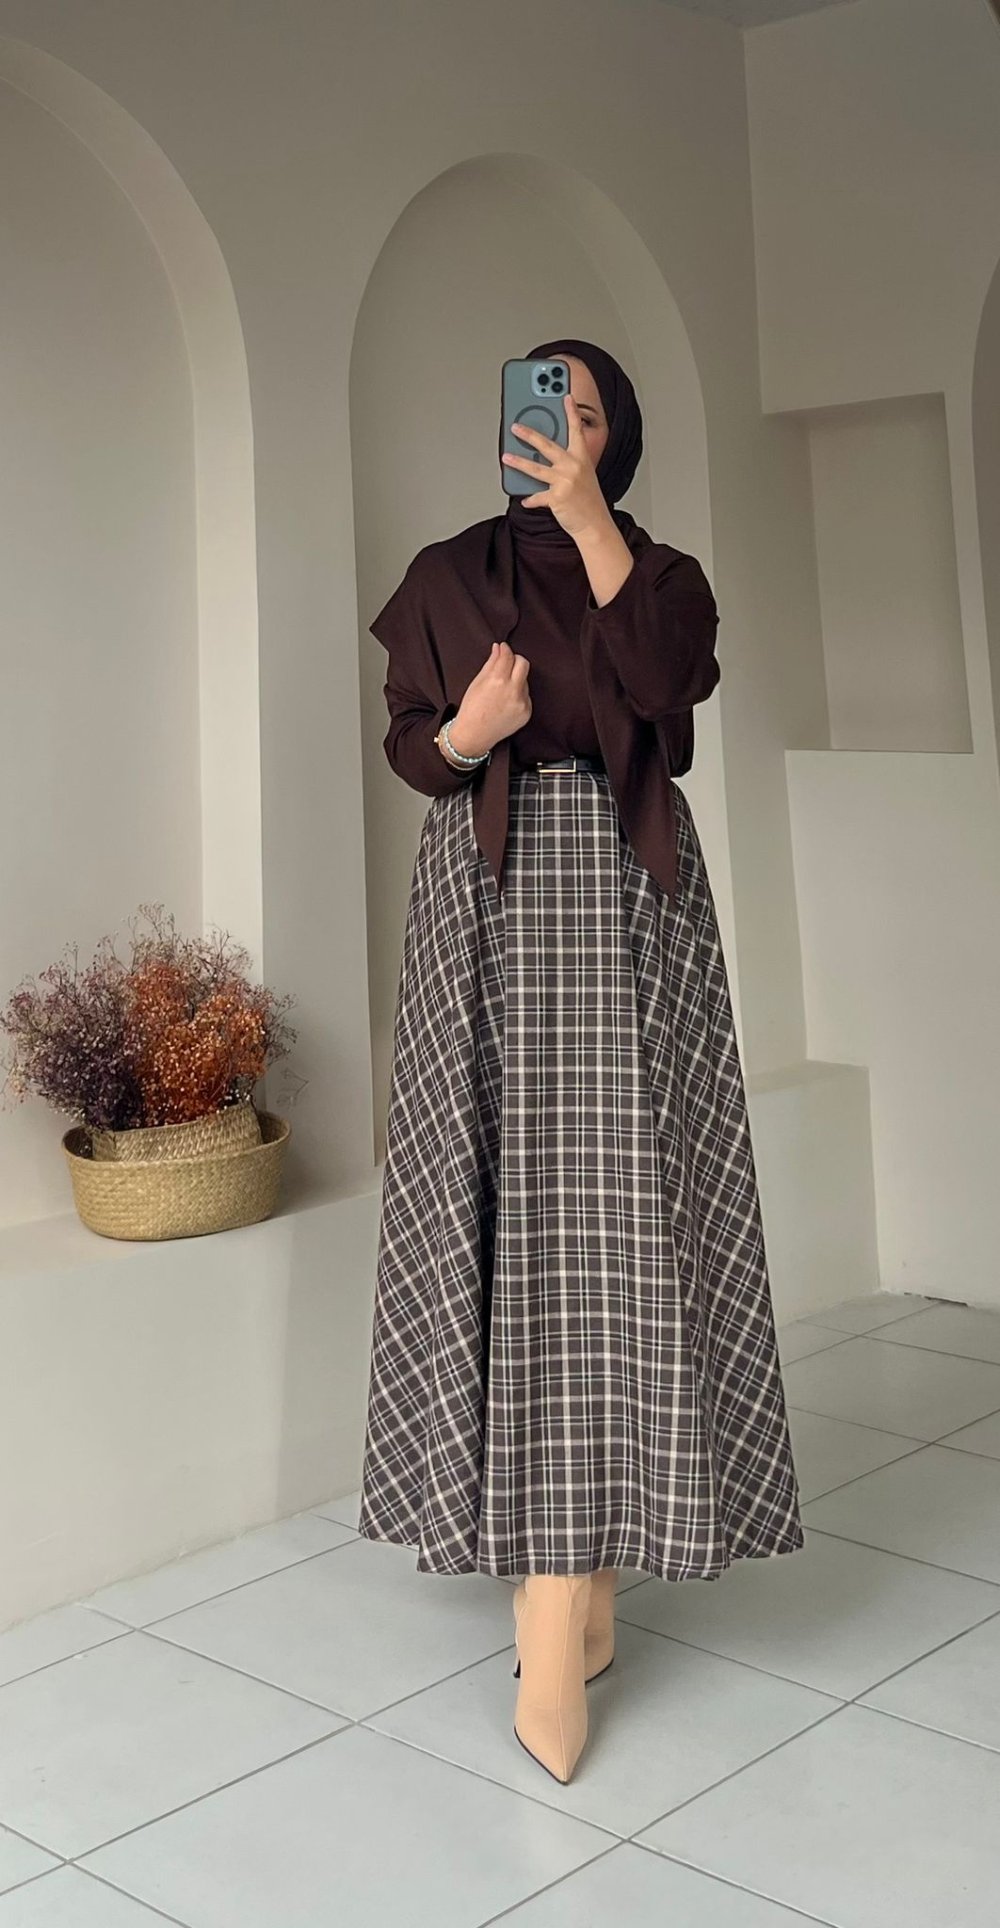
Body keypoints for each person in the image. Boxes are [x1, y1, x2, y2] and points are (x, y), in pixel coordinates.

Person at [358, 337, 806, 1785]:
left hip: (624, 904)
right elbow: (413, 750)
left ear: (618, 441)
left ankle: (563, 1597)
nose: (558, 432)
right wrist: (465, 734)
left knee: (615, 1225)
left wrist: (595, 528)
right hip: (484, 910)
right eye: (542, 408)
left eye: (589, 413)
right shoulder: (445, 575)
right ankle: (572, 1582)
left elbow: (668, 686)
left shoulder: (662, 577)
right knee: (502, 1216)